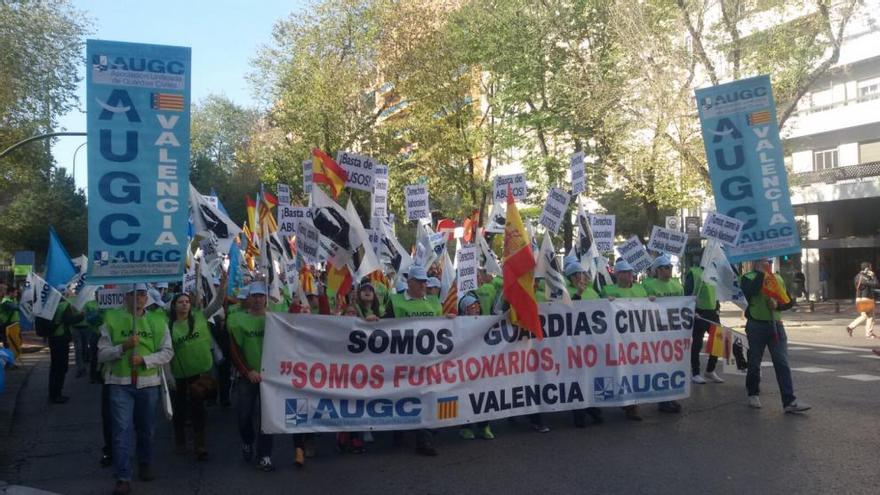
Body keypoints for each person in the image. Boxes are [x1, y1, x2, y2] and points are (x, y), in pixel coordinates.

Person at [97, 283, 174, 495]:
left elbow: (167, 352)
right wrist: (123, 347)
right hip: (119, 384)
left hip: (148, 384)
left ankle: (145, 463)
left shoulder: (158, 320)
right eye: (134, 294)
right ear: (126, 297)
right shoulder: (111, 318)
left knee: (146, 429)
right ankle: (123, 476)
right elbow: (101, 354)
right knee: (121, 431)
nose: (139, 299)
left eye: (142, 295)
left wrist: (145, 360)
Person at [384, 265, 451, 456]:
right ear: (410, 282)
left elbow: (441, 326)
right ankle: (398, 430)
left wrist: (450, 320)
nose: (423, 285)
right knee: (402, 395)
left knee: (427, 396)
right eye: (420, 281)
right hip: (402, 361)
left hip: (428, 362)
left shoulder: (434, 302)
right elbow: (384, 325)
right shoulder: (396, 301)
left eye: (425, 282)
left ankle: (425, 439)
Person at [740, 258, 810, 413]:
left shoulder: (777, 278)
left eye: (770, 262)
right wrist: (761, 274)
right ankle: (753, 393)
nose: (769, 265)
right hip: (756, 325)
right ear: (757, 262)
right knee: (754, 362)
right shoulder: (748, 278)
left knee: (782, 363)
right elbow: (749, 291)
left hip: (776, 326)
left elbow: (788, 301)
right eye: (765, 262)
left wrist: (777, 305)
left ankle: (789, 401)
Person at [167, 276, 225, 461]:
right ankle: (180, 441)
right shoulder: (168, 327)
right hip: (179, 376)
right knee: (180, 411)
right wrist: (169, 378)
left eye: (186, 302)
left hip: (200, 374)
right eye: (180, 302)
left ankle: (200, 445)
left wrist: (222, 288)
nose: (184, 305)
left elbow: (216, 304)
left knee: (199, 410)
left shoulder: (200, 316)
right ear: (174, 306)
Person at [228, 281, 276, 471]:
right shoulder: (238, 319)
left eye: (261, 296)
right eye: (254, 296)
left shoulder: (274, 319)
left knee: (267, 418)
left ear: (266, 298)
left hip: (270, 378)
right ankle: (247, 440)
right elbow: (234, 350)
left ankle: (264, 455)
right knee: (244, 416)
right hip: (247, 377)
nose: (257, 299)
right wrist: (248, 371)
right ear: (249, 298)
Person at [601, 259, 649, 421]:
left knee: (634, 371)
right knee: (619, 371)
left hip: (636, 339)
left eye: (630, 272)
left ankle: (632, 406)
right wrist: (605, 303)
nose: (628, 275)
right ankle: (622, 401)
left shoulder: (641, 289)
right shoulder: (607, 290)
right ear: (617, 275)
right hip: (616, 339)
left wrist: (654, 301)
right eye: (624, 272)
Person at [642, 254, 684, 414]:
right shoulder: (649, 285)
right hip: (657, 332)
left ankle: (671, 396)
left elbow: (682, 305)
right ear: (658, 270)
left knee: (673, 365)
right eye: (666, 267)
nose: (669, 270)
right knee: (660, 365)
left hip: (675, 332)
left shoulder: (677, 285)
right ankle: (663, 399)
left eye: (670, 267)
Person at [564, 262, 604, 427]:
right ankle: (579, 414)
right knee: (576, 378)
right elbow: (567, 313)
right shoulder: (564, 292)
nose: (585, 277)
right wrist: (578, 294)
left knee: (591, 378)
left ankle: (592, 408)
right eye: (580, 274)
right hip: (573, 344)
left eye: (585, 274)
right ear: (573, 276)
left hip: (592, 343)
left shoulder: (593, 292)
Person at [456, 293, 495, 440]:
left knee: (483, 395)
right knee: (465, 397)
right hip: (465, 368)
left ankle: (484, 425)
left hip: (482, 367)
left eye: (478, 305)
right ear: (465, 309)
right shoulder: (457, 324)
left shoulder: (485, 322)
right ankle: (466, 427)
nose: (477, 309)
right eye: (473, 306)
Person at [683, 253, 724, 384]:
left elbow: (716, 293)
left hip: (713, 313)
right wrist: (692, 310)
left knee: (718, 342)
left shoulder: (714, 273)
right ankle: (695, 373)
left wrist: (718, 307)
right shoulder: (694, 273)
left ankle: (710, 370)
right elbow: (687, 294)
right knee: (697, 344)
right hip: (698, 313)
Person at [48, 287, 83, 403]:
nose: (70, 294)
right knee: (61, 367)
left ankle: (53, 393)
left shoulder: (51, 304)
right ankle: (57, 394)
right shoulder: (64, 305)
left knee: (54, 367)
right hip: (61, 339)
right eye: (68, 292)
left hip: (52, 338)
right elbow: (69, 321)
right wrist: (82, 316)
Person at [846, 262, 876, 339]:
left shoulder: (857, 276)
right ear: (866, 268)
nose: (871, 269)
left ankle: (851, 327)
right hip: (866, 298)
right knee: (869, 316)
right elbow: (875, 284)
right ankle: (868, 334)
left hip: (859, 298)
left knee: (865, 316)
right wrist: (874, 276)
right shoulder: (864, 277)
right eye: (870, 267)